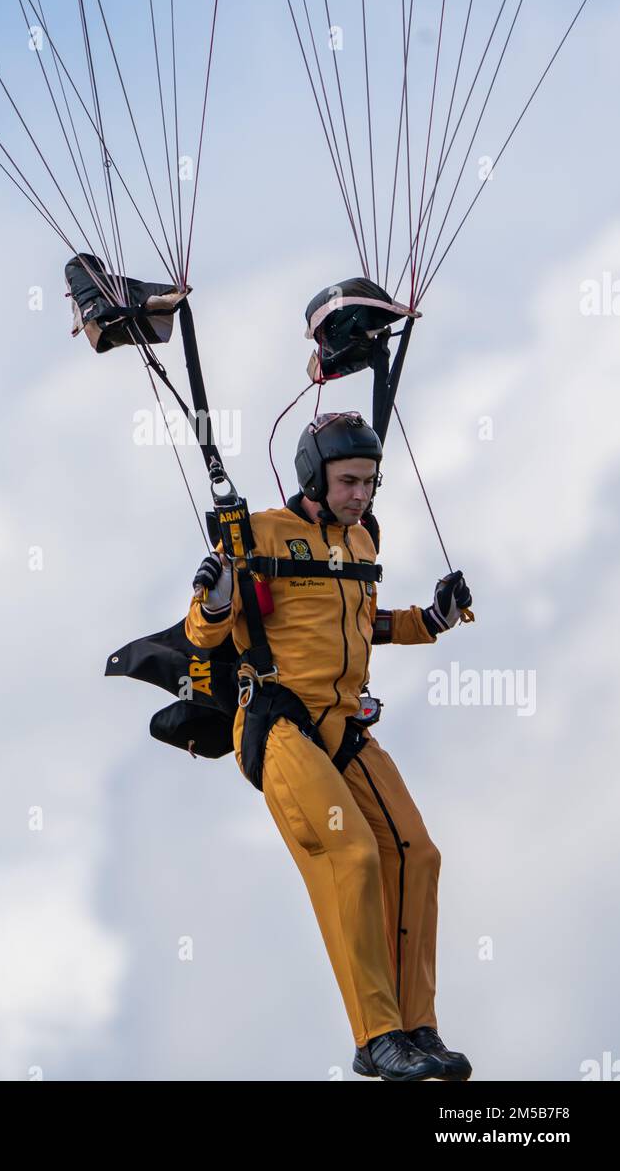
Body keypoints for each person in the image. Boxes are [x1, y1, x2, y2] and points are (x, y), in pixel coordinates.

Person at [184, 411, 473, 1082]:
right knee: (354, 853)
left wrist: (433, 621)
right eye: (348, 482)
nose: (360, 495)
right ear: (314, 475)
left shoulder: (364, 540)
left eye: (370, 483)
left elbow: (367, 625)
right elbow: (204, 635)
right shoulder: (258, 533)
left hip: (345, 724)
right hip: (279, 723)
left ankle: (416, 1024)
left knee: (417, 854)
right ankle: (376, 1037)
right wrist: (218, 600)